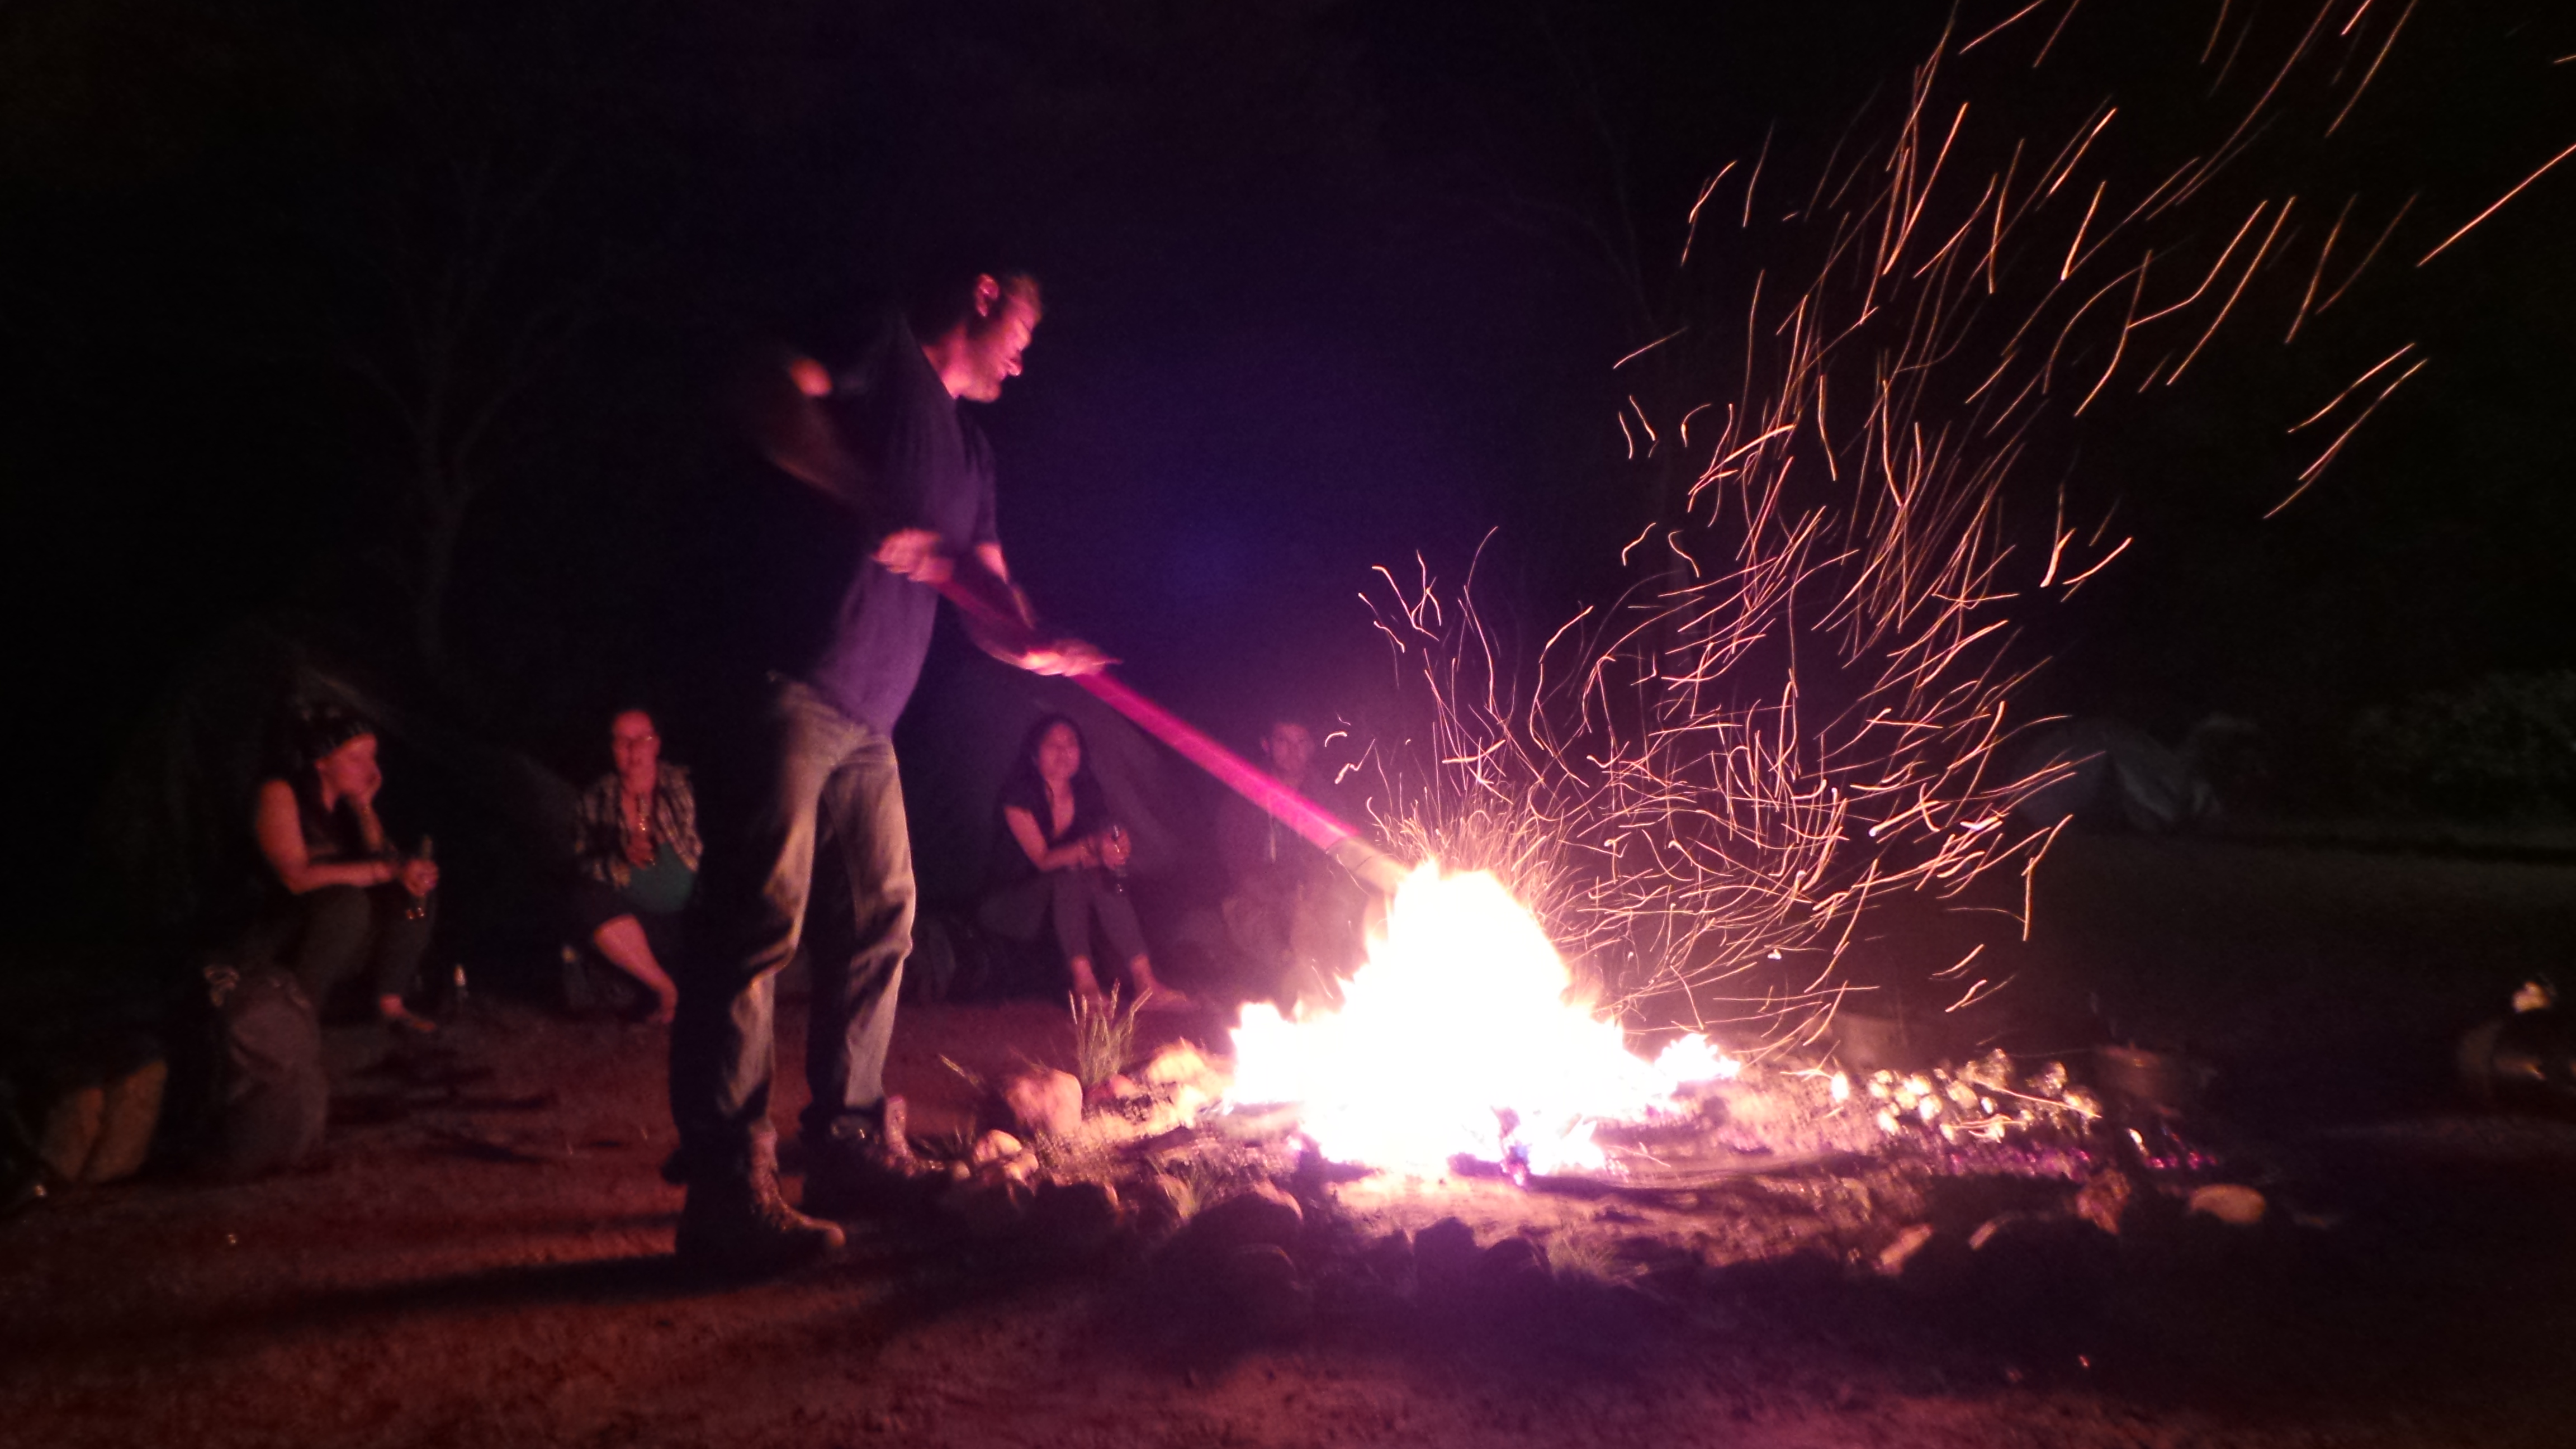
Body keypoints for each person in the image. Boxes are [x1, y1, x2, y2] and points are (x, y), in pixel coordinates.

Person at [675, 265, 1104, 1273]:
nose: (1024, 360)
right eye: (1023, 332)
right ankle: (725, 1188)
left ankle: (849, 1146)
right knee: (756, 922)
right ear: (985, 295)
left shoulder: (974, 455)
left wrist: (1034, 641)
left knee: (883, 922)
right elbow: (763, 389)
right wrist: (861, 493)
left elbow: (986, 595)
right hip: (789, 679)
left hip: (871, 720)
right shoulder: (882, 347)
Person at [249, 703, 440, 1033]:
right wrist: (387, 870)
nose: (371, 770)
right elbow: (295, 878)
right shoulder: (280, 793)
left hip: (344, 938)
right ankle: (300, 1014)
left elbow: (384, 857)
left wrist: (365, 809)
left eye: (373, 757)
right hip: (284, 933)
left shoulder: (346, 808)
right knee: (347, 901)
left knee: (412, 894)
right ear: (322, 762)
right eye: (356, 759)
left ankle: (390, 1003)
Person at [982, 714, 1184, 1008]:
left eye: (1071, 744)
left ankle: (1145, 981)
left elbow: (1104, 828)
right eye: (1053, 745)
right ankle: (1084, 984)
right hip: (1012, 901)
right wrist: (1091, 846)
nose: (1063, 752)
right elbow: (1043, 860)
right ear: (1034, 754)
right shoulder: (1018, 797)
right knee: (1071, 871)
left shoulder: (1086, 791)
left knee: (1097, 872)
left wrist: (1115, 842)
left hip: (1062, 900)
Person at [1219, 717, 1368, 1007]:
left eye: (1300, 742)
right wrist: (1282, 903)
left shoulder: (1327, 800)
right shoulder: (1243, 797)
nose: (1292, 751)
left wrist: (1313, 893)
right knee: (1276, 940)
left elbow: (1337, 861)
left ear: (1312, 747)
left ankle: (1332, 989)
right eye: (1283, 741)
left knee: (1343, 913)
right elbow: (1239, 870)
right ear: (1267, 745)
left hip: (1312, 896)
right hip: (1256, 898)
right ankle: (1295, 989)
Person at [565, 709, 694, 1025]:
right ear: (612, 748)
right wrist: (620, 858)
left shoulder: (684, 785)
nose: (634, 750)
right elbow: (583, 864)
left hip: (694, 916)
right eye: (623, 742)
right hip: (639, 926)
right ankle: (666, 989)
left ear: (656, 745)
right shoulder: (596, 799)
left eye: (642, 740)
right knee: (583, 899)